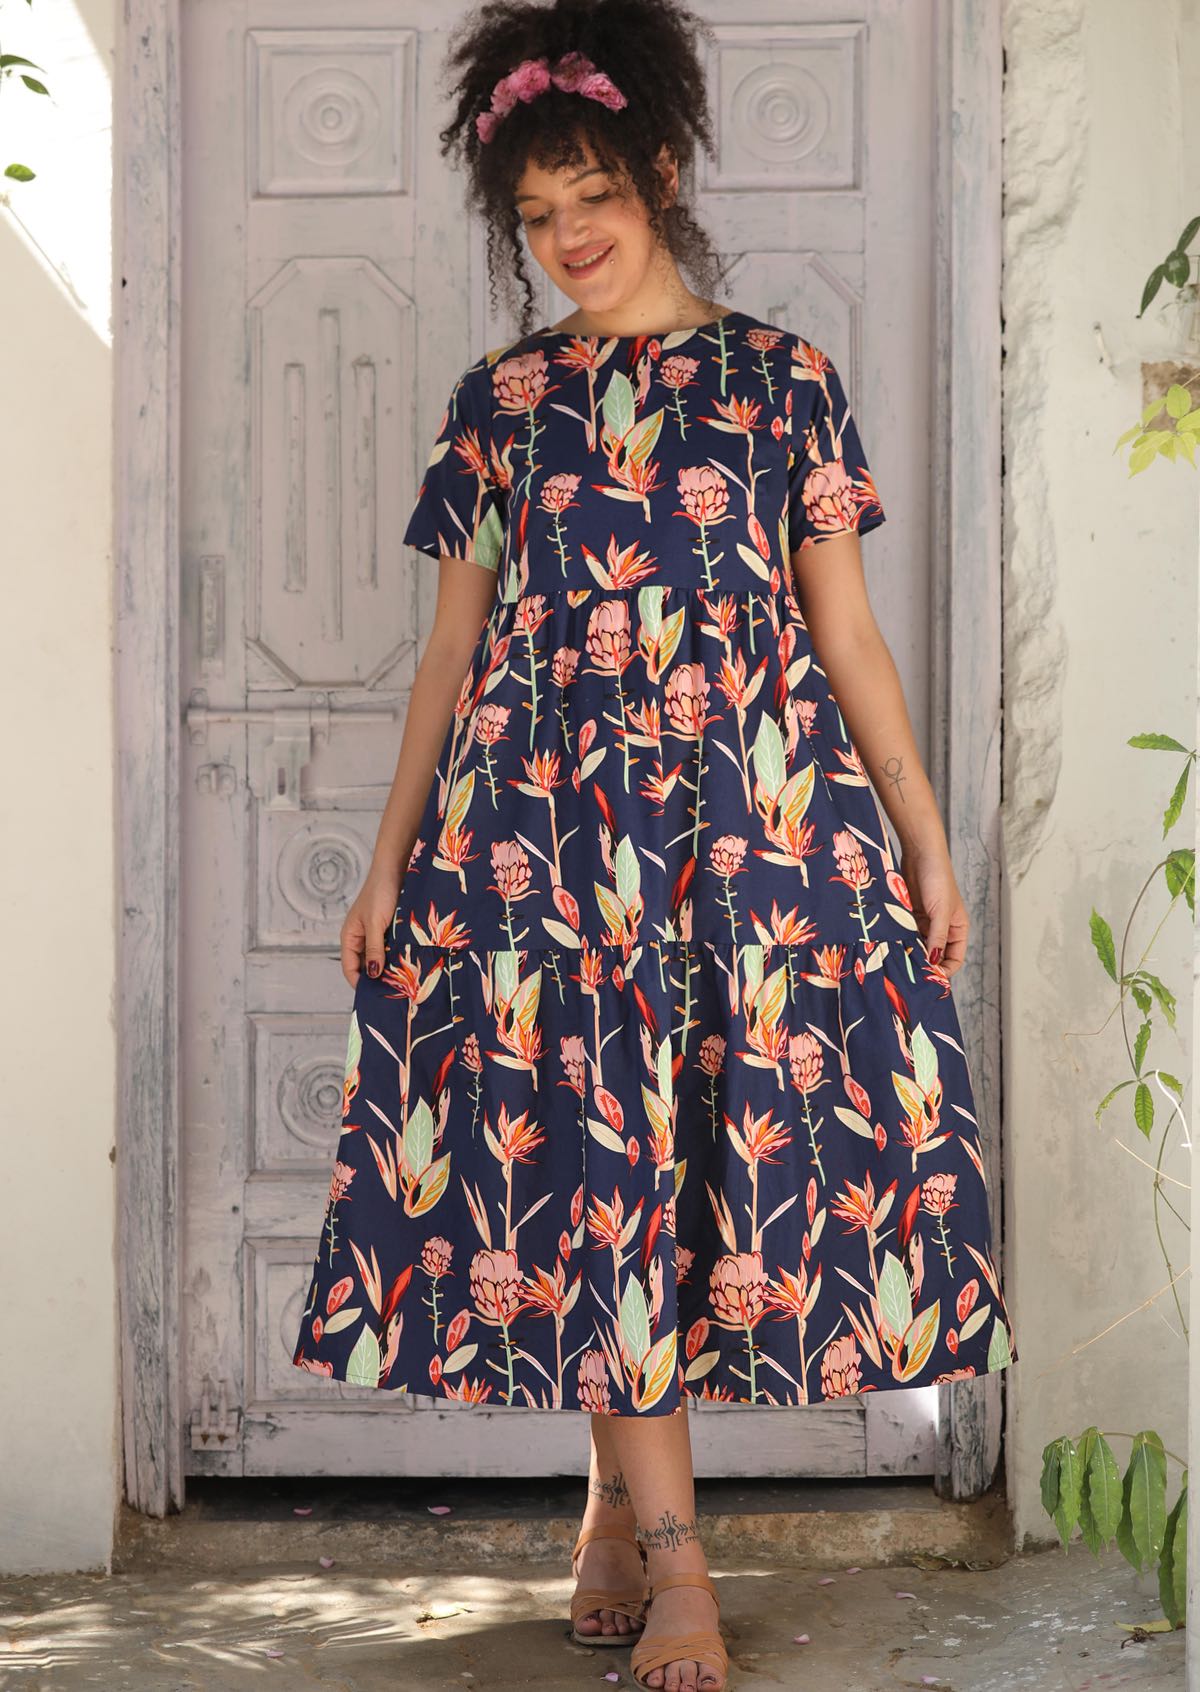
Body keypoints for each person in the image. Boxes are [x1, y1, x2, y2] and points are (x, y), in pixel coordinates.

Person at [291, 3, 1018, 1687]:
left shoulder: (784, 384)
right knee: (595, 1169)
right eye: (538, 216)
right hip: (541, 846)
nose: (571, 238)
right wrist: (393, 859)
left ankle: (616, 1514)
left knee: (699, 1172)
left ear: (665, 174)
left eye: (596, 194)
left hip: (755, 834)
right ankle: (681, 1564)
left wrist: (923, 839)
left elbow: (846, 638)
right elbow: (452, 654)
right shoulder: (505, 400)